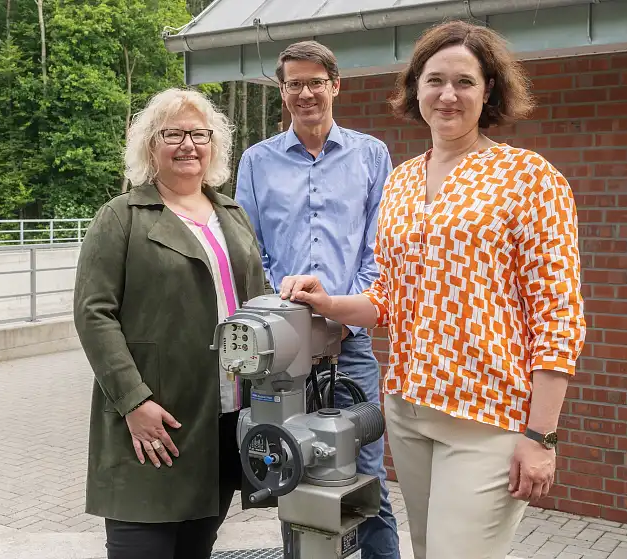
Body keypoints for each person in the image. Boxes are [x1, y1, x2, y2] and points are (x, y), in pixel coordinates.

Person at [277, 20, 586, 559]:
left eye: (464, 82)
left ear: (488, 90)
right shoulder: (401, 180)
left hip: (488, 420)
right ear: (415, 87)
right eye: (434, 79)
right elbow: (391, 300)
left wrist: (541, 437)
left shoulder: (530, 178)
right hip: (408, 411)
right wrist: (327, 301)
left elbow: (558, 315)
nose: (448, 95)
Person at [73, 88, 271, 559]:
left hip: (222, 419)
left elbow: (258, 304)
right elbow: (93, 313)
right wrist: (134, 401)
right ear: (150, 146)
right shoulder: (121, 217)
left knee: (197, 547)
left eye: (199, 134)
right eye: (173, 134)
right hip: (154, 421)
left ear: (214, 145)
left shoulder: (232, 214)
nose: (188, 145)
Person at [235, 40, 400, 559]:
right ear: (282, 92)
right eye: (293, 85)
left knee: (366, 473)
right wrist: (286, 315)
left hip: (349, 344)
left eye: (315, 82)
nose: (305, 93)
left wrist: (342, 316)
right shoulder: (256, 161)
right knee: (291, 470)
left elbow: (381, 249)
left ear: (335, 85)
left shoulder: (371, 154)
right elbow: (249, 250)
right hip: (281, 350)